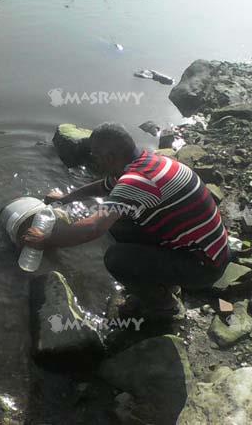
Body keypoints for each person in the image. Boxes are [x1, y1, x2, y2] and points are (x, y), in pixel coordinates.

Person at [22, 122, 230, 319]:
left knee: (117, 259)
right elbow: (102, 187)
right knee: (119, 225)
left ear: (110, 157)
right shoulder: (146, 163)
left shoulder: (136, 181)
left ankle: (163, 304)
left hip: (204, 266)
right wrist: (66, 198)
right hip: (206, 248)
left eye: (95, 155)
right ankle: (164, 280)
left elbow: (92, 228)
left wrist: (46, 239)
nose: (94, 160)